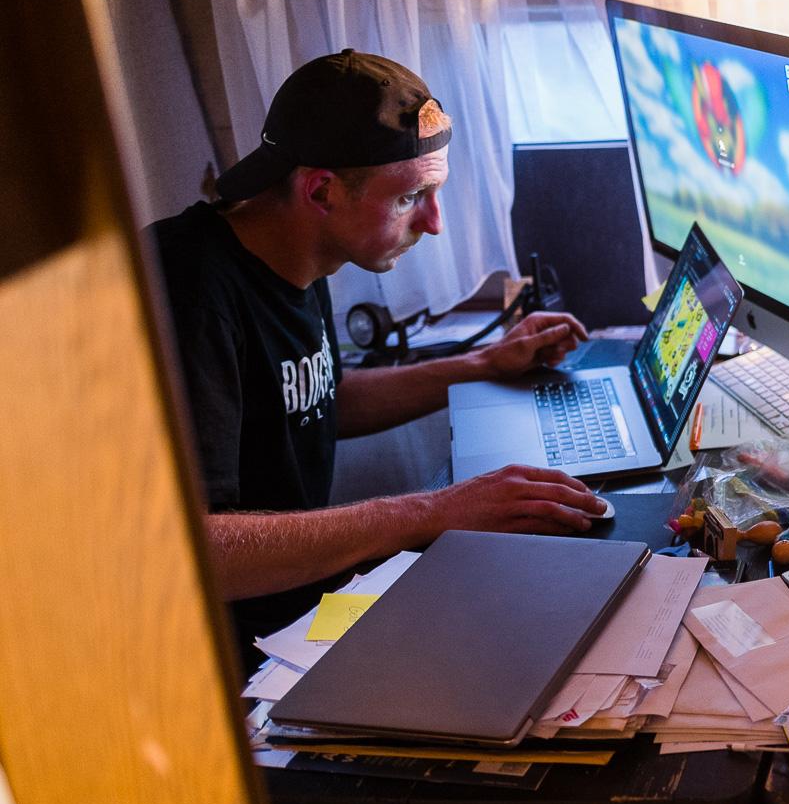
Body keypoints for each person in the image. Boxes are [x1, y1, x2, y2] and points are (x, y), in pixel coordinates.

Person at [148, 50, 605, 667]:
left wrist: (483, 365)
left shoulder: (299, 247)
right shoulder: (191, 294)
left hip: (293, 607)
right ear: (321, 190)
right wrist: (430, 511)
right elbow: (194, 549)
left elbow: (315, 397)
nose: (435, 224)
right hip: (231, 658)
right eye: (412, 197)